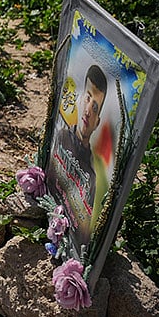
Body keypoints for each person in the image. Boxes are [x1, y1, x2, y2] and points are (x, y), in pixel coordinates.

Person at [52, 64, 107, 216]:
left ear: (97, 122)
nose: (88, 111)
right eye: (88, 98)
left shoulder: (91, 176)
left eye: (95, 107)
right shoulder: (60, 137)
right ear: (81, 98)